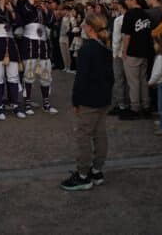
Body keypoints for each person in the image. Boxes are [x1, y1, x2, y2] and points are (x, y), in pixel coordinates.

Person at [61, 12, 114, 191]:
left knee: (84, 135)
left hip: (89, 98)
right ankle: (97, 170)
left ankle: (83, 174)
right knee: (100, 133)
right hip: (103, 97)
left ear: (90, 27)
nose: (82, 26)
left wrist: (76, 100)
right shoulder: (106, 47)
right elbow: (110, 76)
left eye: (85, 24)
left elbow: (81, 78)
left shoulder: (87, 48)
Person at [17, 0, 58, 115]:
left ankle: (46, 103)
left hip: (43, 46)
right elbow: (24, 14)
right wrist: (31, 0)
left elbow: (51, 22)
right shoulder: (24, 5)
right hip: (29, 45)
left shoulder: (44, 8)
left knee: (46, 74)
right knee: (29, 74)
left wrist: (46, 10)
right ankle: (27, 103)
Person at [120, 0, 153, 120]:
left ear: (133, 0)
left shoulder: (129, 14)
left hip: (133, 52)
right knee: (143, 80)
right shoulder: (146, 14)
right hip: (145, 51)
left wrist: (124, 50)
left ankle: (135, 108)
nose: (126, 2)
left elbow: (127, 35)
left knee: (133, 82)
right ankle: (146, 106)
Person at [108, 0, 128, 116]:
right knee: (129, 80)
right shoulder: (134, 18)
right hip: (131, 53)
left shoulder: (119, 20)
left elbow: (116, 38)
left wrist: (114, 53)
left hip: (119, 52)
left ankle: (120, 104)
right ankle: (129, 102)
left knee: (118, 79)